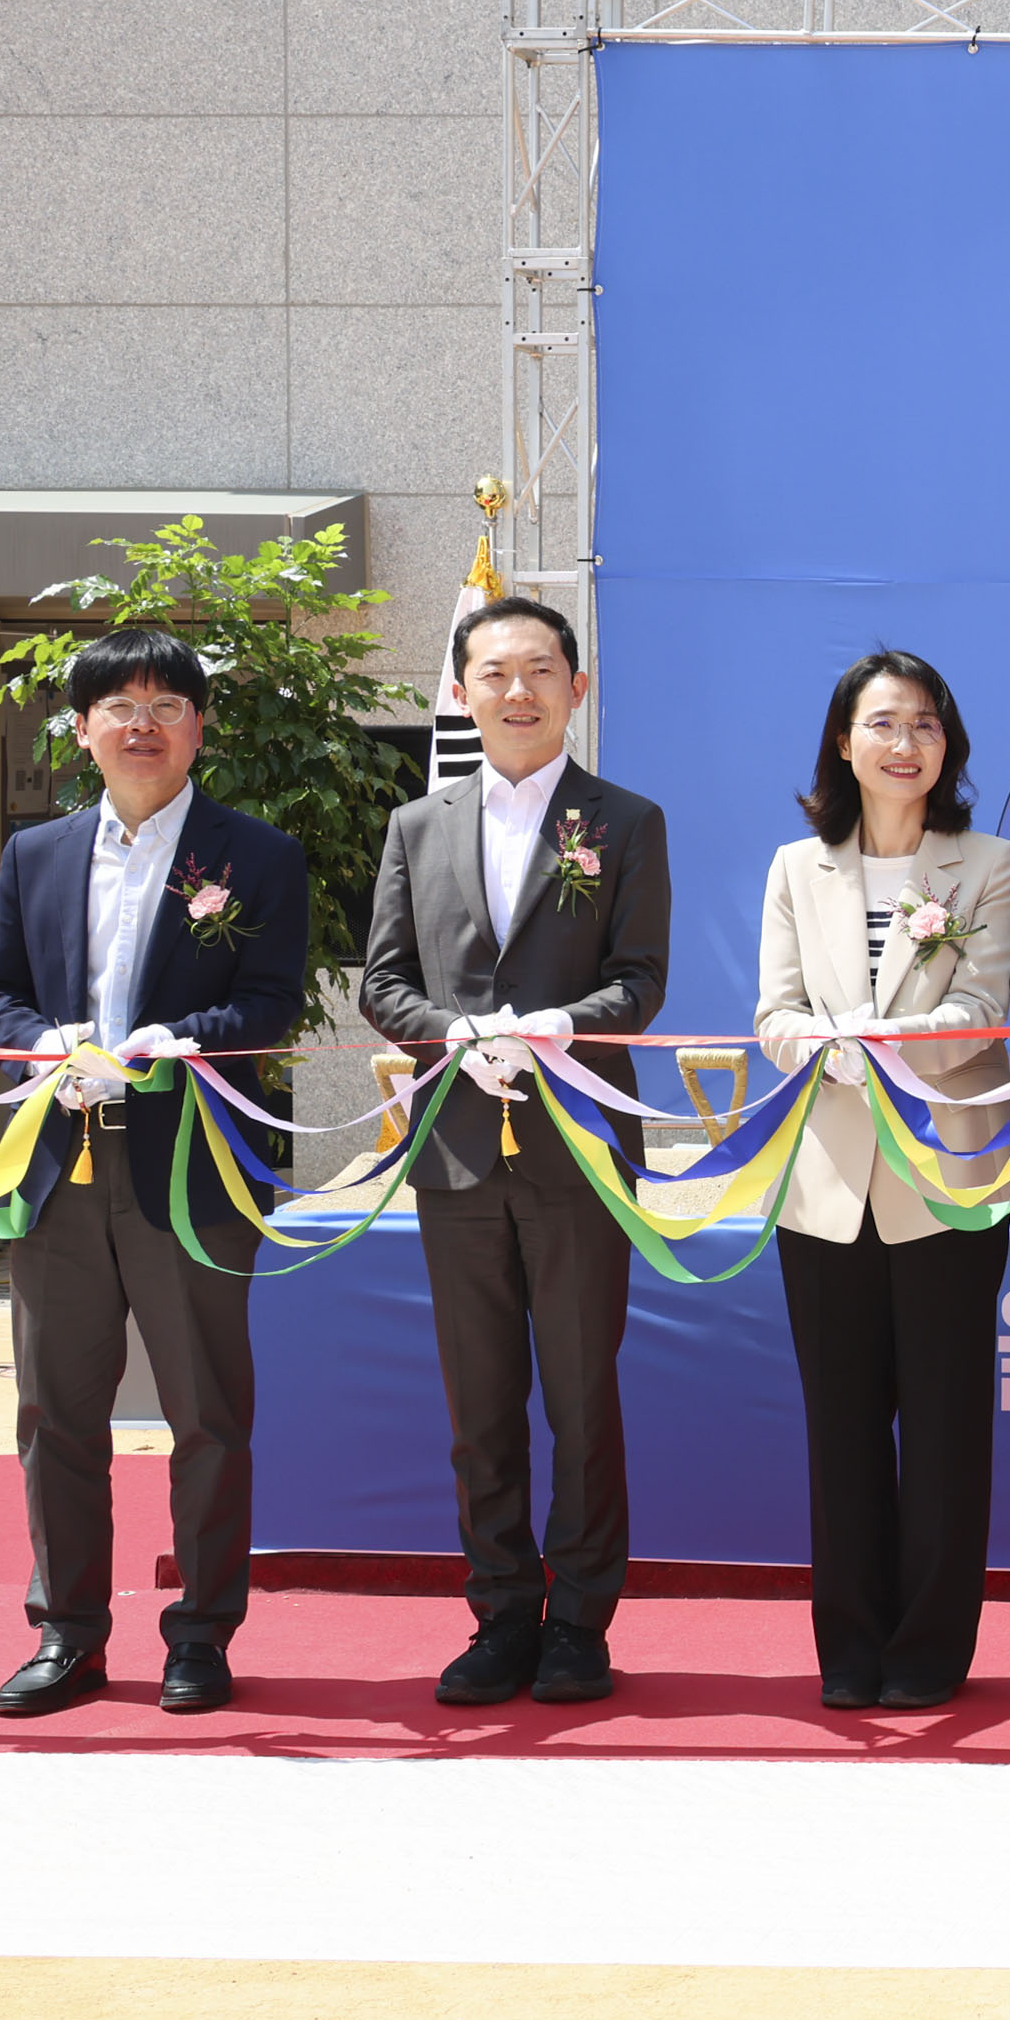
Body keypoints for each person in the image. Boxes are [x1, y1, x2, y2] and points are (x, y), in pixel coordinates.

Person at [0, 628, 308, 1717]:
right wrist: (50, 1042)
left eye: (167, 702)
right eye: (119, 704)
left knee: (208, 1414)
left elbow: (268, 1002)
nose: (143, 722)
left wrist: (174, 1042)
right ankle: (66, 1632)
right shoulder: (38, 852)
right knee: (55, 1413)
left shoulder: (255, 855)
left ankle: (201, 1634)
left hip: (189, 1169)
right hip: (58, 1167)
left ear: (198, 726)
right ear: (82, 728)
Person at [358, 593, 672, 1708]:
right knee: (479, 1400)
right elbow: (381, 981)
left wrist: (559, 1029)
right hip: (452, 1150)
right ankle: (499, 1615)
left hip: (580, 1144)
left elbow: (640, 981)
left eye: (541, 670)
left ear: (575, 689)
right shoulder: (417, 826)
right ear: (458, 691)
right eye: (493, 673)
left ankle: (580, 1621)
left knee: (582, 1396)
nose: (518, 691)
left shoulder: (625, 821)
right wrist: (453, 1037)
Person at [752, 651, 1010, 1711]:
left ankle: (929, 1651)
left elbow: (987, 1010)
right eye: (882, 724)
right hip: (823, 1189)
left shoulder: (989, 863)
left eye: (924, 724)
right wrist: (821, 1045)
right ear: (842, 742)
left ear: (945, 746)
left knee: (949, 1428)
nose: (903, 744)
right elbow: (773, 1014)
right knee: (843, 1429)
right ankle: (851, 1648)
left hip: (945, 1179)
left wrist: (890, 1041)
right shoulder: (794, 869)